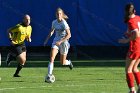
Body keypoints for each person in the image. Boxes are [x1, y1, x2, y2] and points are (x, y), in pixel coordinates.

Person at [44, 8, 73, 80]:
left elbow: (69, 35)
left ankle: (69, 63)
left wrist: (60, 41)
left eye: (60, 14)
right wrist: (46, 40)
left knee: (62, 62)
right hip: (56, 41)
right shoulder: (54, 22)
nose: (59, 15)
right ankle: (49, 75)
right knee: (51, 58)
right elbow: (51, 32)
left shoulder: (64, 23)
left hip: (64, 42)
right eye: (57, 14)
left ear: (62, 14)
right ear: (55, 15)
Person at [118, 3, 140, 93]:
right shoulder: (137, 18)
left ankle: (132, 91)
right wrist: (127, 34)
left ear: (126, 12)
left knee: (128, 70)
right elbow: (134, 32)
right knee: (134, 68)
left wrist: (126, 41)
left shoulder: (131, 21)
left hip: (135, 47)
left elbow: (136, 34)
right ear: (134, 10)